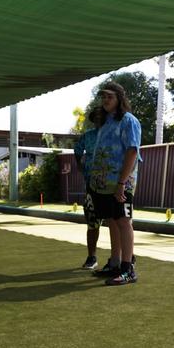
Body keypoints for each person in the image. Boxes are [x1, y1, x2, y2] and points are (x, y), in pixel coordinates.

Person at [88, 81, 142, 286]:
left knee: (123, 220)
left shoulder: (129, 121)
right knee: (111, 219)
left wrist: (121, 182)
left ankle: (128, 269)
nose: (105, 100)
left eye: (109, 97)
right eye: (103, 97)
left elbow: (132, 151)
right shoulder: (106, 122)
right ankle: (115, 263)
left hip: (121, 183)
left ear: (119, 99)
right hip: (104, 184)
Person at [73, 106, 108, 270]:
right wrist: (81, 165)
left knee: (119, 221)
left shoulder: (113, 135)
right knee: (92, 222)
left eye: (103, 116)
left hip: (112, 185)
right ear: (93, 119)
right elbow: (77, 150)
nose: (99, 119)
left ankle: (125, 257)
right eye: (96, 117)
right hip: (91, 186)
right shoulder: (88, 136)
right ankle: (91, 257)